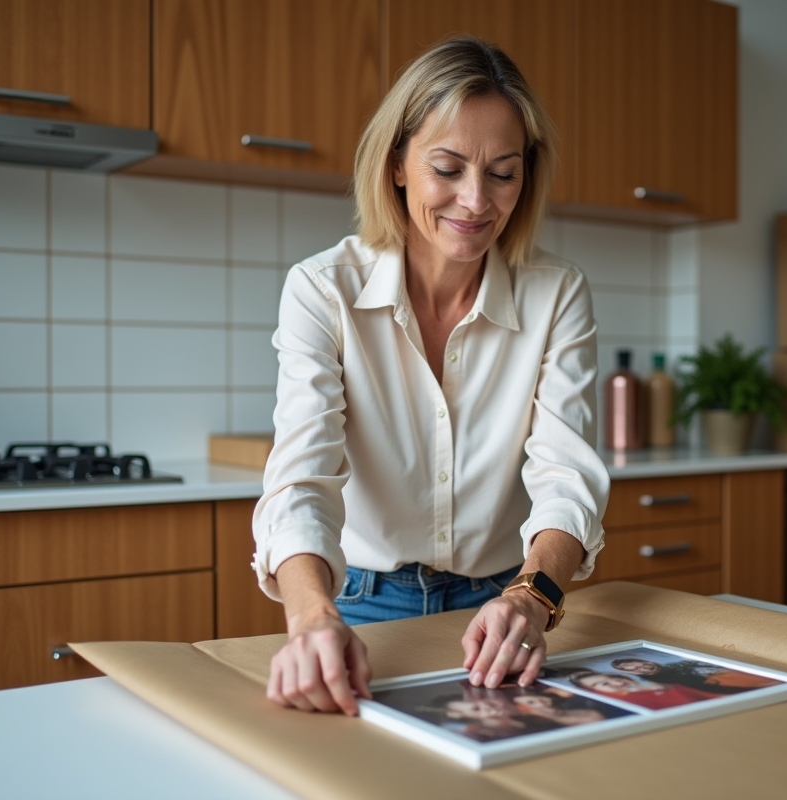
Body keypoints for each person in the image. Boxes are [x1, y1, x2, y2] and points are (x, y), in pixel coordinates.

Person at [252, 36, 609, 716]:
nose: (476, 201)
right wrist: (310, 618)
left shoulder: (556, 293)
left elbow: (567, 474)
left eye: (503, 173)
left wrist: (533, 600)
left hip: (506, 606)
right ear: (396, 164)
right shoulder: (323, 290)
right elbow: (301, 479)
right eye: (447, 167)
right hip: (355, 601)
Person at [610, 657, 782, 694]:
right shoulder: (669, 683)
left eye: (638, 662)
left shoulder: (677, 664)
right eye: (632, 669)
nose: (642, 667)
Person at [566, 670, 722, 710]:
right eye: (603, 685)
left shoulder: (656, 682)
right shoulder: (629, 701)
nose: (613, 683)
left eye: (609, 678)